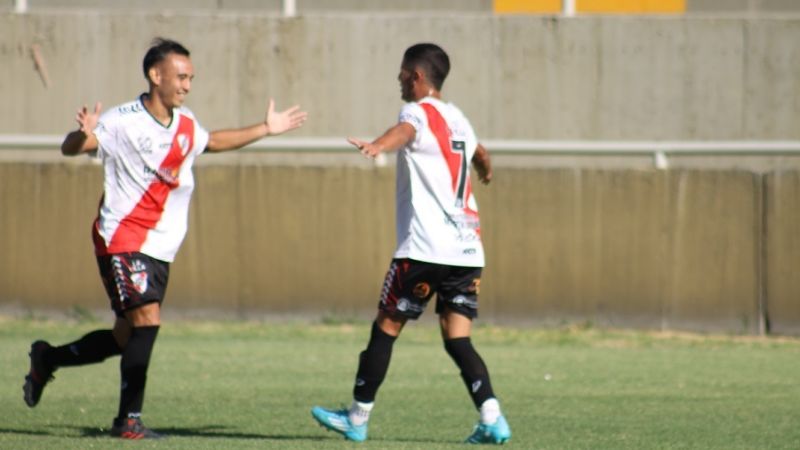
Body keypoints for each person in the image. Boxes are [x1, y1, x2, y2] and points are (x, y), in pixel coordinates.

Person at [23, 37, 307, 439]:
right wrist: (79, 133)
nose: (187, 85)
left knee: (125, 337)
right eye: (181, 76)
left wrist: (266, 128)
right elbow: (75, 147)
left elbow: (214, 142)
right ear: (156, 76)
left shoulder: (186, 124)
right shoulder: (123, 120)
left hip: (159, 247)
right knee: (147, 320)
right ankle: (128, 421)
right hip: (122, 239)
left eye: (191, 77)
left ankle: (47, 358)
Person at [310, 43, 511, 445]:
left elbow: (406, 131)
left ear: (417, 77)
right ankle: (493, 418)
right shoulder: (458, 119)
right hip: (467, 251)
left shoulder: (415, 111)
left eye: (402, 73)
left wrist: (378, 145)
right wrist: (485, 170)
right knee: (457, 338)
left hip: (424, 250)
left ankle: (357, 417)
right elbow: (481, 154)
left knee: (386, 327)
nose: (398, 80)